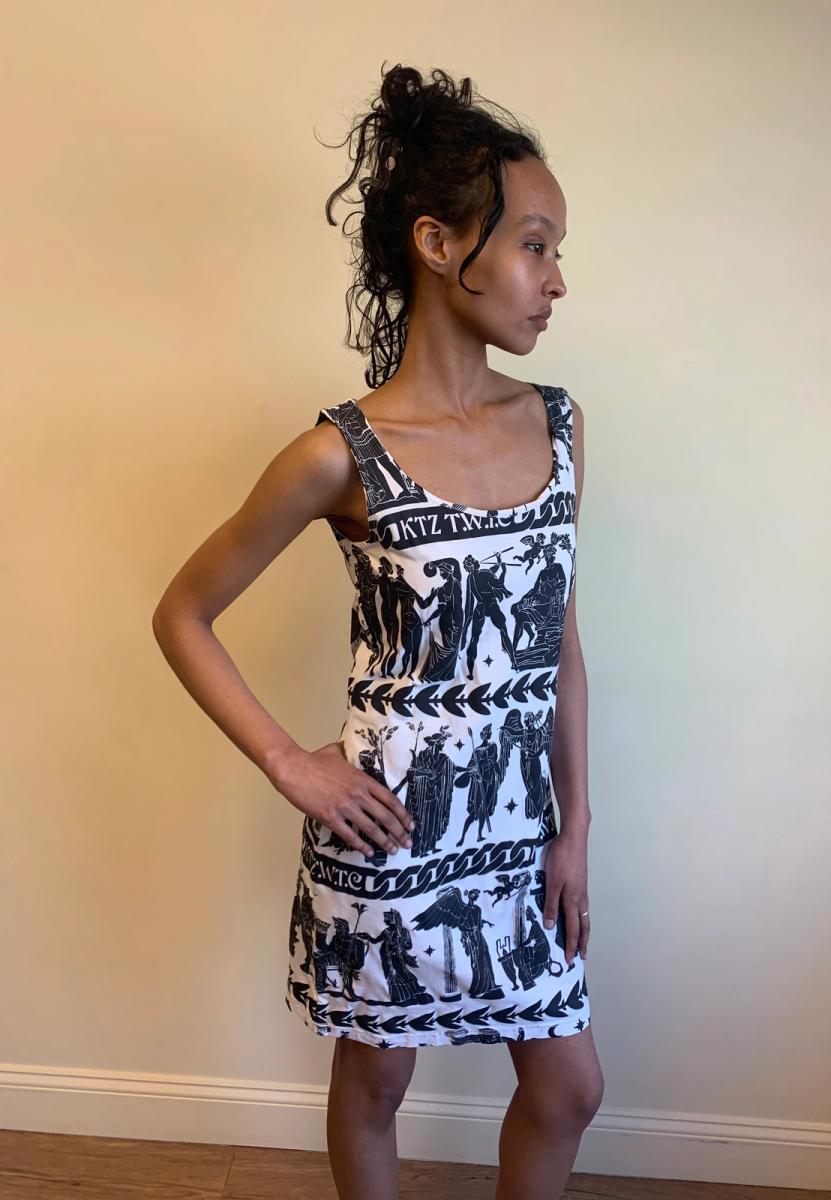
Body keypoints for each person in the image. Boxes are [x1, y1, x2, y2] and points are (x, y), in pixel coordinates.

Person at [152, 60, 604, 1200]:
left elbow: (556, 640)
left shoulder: (559, 427)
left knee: (568, 1088)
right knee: (376, 1085)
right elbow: (183, 613)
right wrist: (288, 763)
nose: (556, 279)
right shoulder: (336, 456)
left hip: (524, 833)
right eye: (536, 245)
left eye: (555, 249)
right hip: (391, 828)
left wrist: (575, 827)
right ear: (440, 245)